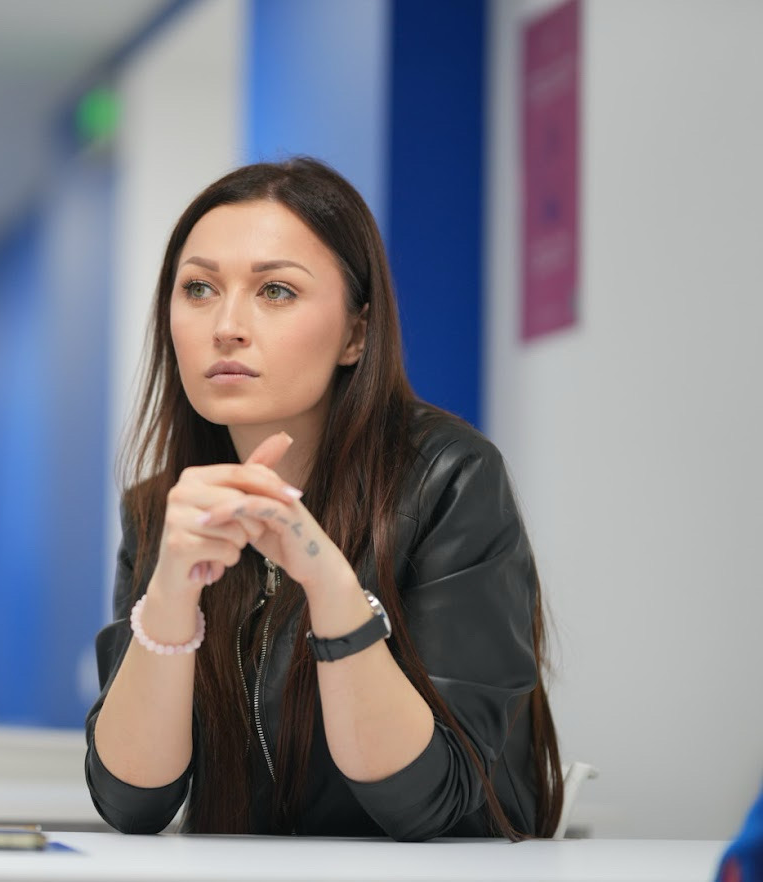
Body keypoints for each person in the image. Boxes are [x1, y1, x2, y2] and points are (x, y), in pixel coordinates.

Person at [85, 156, 563, 842]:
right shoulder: (166, 509)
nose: (227, 325)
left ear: (356, 334)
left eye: (276, 290)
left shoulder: (448, 479)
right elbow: (133, 803)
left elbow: (428, 805)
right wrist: (169, 596)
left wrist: (329, 584)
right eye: (199, 288)